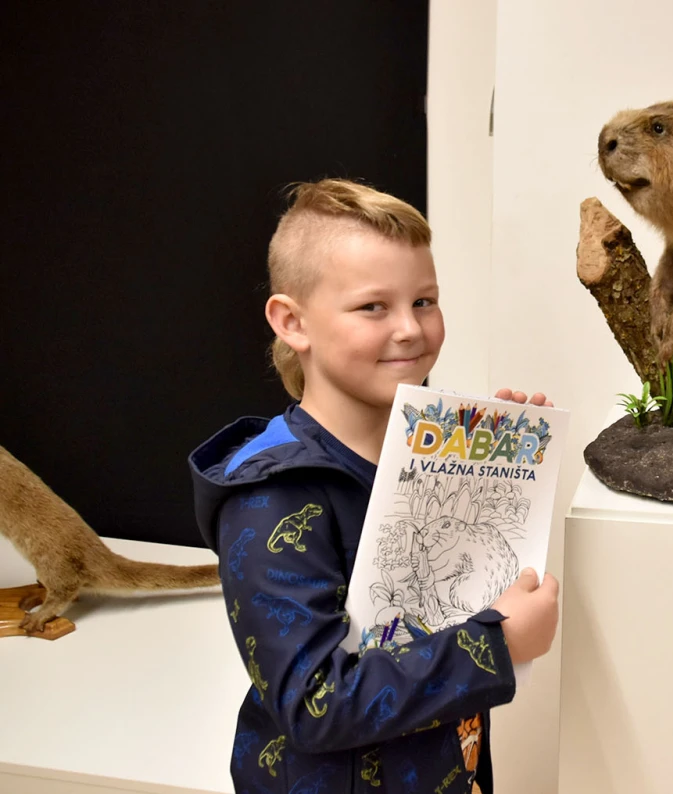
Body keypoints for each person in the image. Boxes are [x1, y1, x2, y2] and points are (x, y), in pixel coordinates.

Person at [188, 178, 559, 794]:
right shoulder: (268, 497)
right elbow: (315, 704)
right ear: (292, 322)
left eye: (424, 301)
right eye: (373, 307)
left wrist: (493, 473)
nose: (411, 330)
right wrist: (496, 643)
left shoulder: (429, 448)